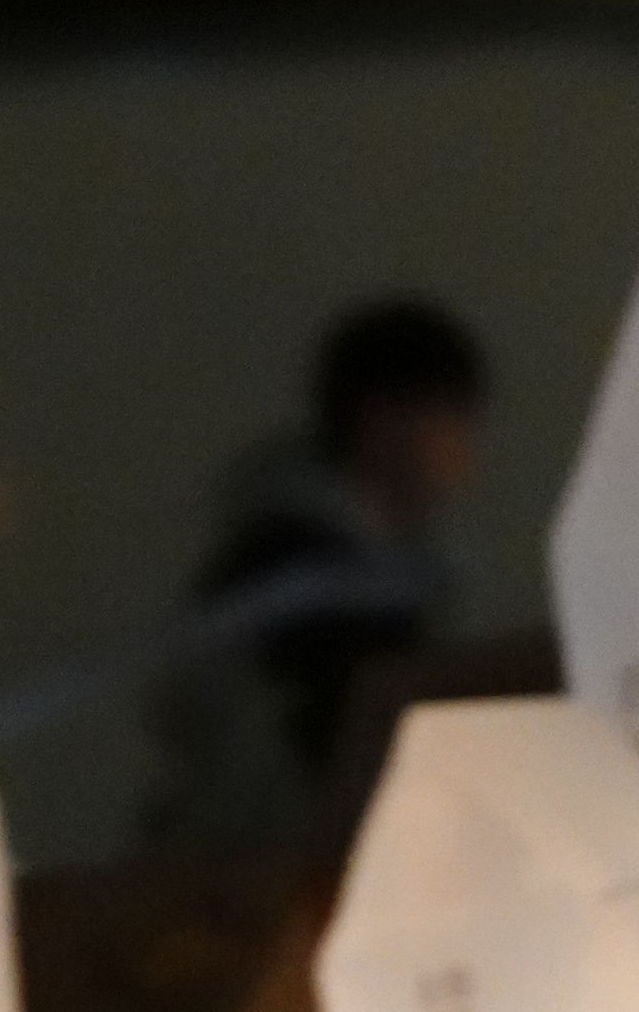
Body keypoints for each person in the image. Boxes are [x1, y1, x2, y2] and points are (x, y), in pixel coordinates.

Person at [145, 297, 490, 851]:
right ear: (380, 420)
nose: (463, 448)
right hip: (271, 862)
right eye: (450, 418)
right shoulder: (304, 575)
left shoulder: (388, 570)